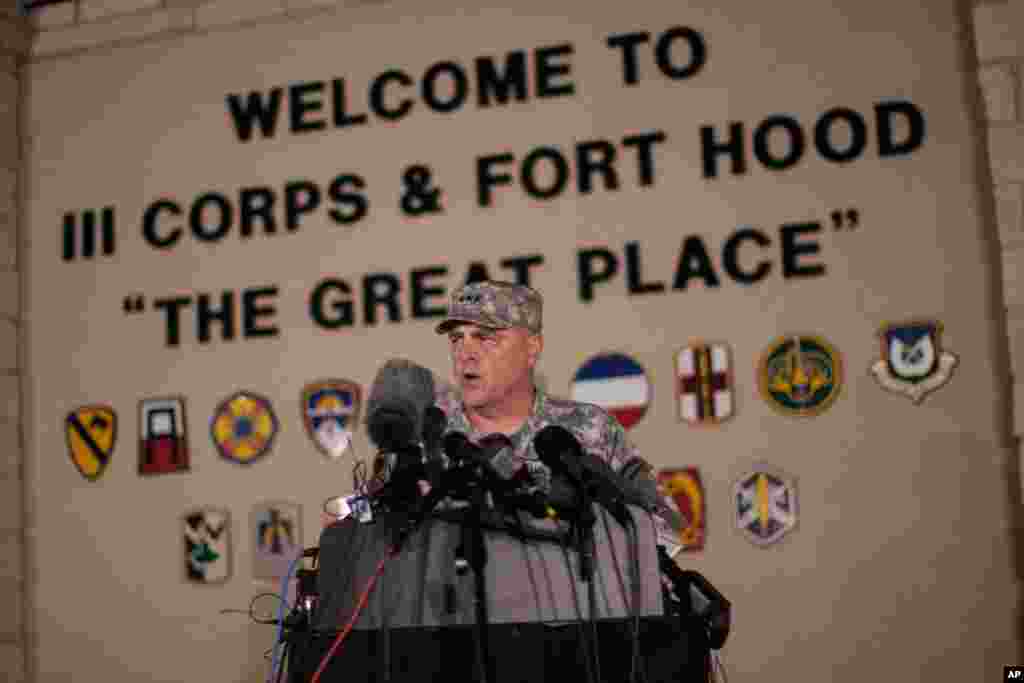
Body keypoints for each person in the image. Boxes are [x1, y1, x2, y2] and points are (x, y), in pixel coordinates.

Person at [432, 279, 682, 554]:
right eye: (456, 339)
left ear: (532, 348)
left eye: (485, 338)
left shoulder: (590, 430)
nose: (465, 354)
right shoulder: (428, 437)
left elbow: (663, 531)